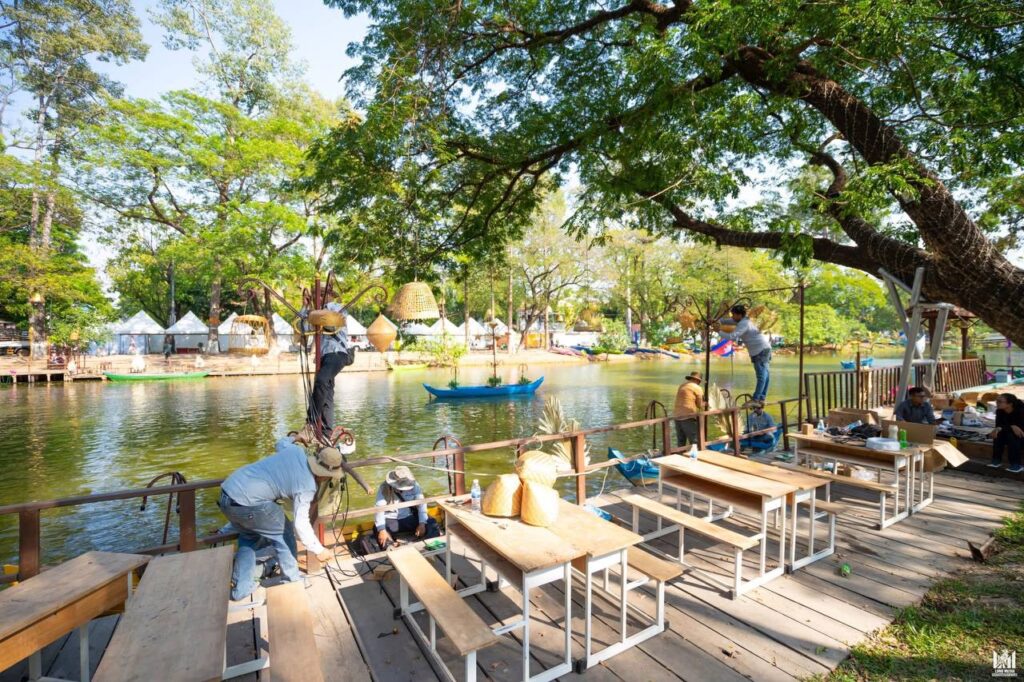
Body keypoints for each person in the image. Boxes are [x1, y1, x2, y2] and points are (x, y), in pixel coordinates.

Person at [218, 438, 342, 600]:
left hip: (227, 495)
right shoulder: (306, 486)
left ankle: (241, 587)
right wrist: (319, 550)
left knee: (249, 538)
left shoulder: (296, 451)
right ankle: (292, 581)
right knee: (285, 534)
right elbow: (301, 524)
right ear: (324, 476)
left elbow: (281, 443)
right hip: (249, 503)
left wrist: (296, 437)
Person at [306, 301, 354, 434]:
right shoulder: (315, 311)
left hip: (336, 353)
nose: (319, 297)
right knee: (326, 393)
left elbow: (332, 325)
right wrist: (307, 308)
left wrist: (314, 313)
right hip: (324, 357)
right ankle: (326, 433)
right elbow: (304, 328)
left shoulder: (335, 307)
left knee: (321, 381)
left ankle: (311, 422)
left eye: (322, 294)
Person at [374, 466, 440, 548]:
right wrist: (382, 530)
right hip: (391, 520)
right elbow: (379, 509)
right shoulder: (384, 488)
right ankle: (392, 546)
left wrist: (422, 524)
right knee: (379, 532)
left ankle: (429, 546)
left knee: (432, 523)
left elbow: (421, 505)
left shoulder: (415, 485)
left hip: (409, 517)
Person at [719, 305, 772, 407]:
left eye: (734, 314)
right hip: (763, 349)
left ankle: (756, 399)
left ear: (739, 315)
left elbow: (732, 337)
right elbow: (728, 321)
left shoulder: (744, 323)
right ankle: (761, 398)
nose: (732, 317)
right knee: (765, 375)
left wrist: (719, 331)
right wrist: (717, 321)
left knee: (762, 376)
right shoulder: (743, 320)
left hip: (760, 351)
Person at [988, 393, 1024, 473]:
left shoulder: (1021, 411)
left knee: (1012, 435)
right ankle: (996, 460)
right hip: (1010, 436)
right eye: (997, 401)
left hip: (1020, 437)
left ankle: (1016, 464)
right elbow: (998, 426)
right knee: (998, 433)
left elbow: (1020, 430)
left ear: (1010, 404)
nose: (997, 403)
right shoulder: (999, 411)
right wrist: (1011, 426)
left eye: (1000, 401)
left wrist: (1005, 427)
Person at [673, 371, 704, 448]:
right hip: (688, 416)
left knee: (681, 441)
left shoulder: (682, 386)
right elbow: (700, 405)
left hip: (677, 416)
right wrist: (706, 403)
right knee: (694, 440)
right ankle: (696, 454)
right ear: (698, 380)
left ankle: (680, 453)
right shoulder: (697, 388)